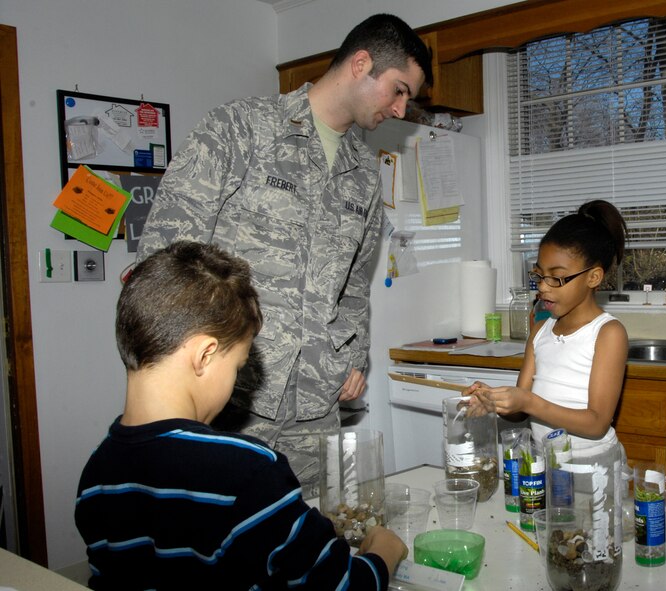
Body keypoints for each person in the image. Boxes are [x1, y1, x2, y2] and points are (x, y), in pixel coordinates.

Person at [136, 14, 433, 496]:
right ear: (362, 64)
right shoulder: (240, 129)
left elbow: (354, 285)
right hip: (232, 398)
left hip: (317, 401)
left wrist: (356, 357)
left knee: (309, 535)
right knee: (223, 543)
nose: (401, 110)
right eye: (398, 90)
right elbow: (165, 261)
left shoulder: (362, 174)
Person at [75, 241, 407, 590]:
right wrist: (384, 550)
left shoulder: (96, 472)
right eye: (238, 365)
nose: (237, 381)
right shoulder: (248, 470)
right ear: (204, 356)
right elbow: (344, 586)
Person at [466, 200, 629, 453]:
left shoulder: (607, 333)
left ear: (593, 277)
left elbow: (597, 424)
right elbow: (521, 411)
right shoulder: (540, 330)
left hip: (594, 468)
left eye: (556, 277)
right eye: (540, 275)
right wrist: (494, 402)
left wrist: (529, 402)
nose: (543, 286)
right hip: (547, 465)